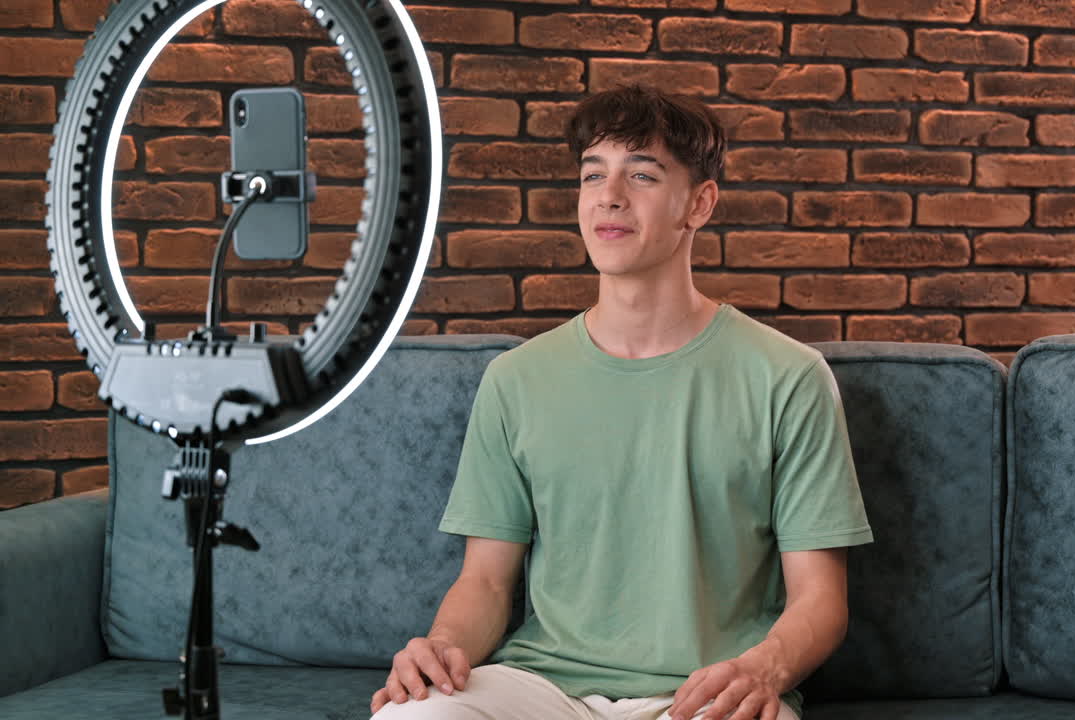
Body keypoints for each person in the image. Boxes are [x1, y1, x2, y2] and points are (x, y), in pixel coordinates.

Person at [370, 85, 872, 720]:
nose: (609, 195)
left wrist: (763, 667)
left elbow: (819, 599)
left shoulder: (789, 377)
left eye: (641, 174)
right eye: (592, 175)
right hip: (541, 686)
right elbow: (487, 581)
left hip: (704, 694)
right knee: (411, 717)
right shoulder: (515, 379)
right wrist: (440, 648)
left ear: (700, 203)